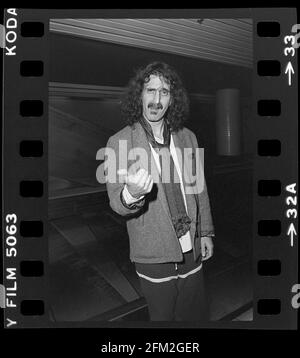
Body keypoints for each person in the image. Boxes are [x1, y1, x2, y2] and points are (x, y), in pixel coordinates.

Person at [105, 61, 214, 321]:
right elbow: (116, 202)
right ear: (139, 96)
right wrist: (132, 193)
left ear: (172, 99)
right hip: (153, 251)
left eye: (164, 92)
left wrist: (206, 232)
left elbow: (199, 189)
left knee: (193, 315)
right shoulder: (119, 141)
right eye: (150, 91)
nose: (156, 99)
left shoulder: (188, 137)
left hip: (192, 245)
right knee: (163, 318)